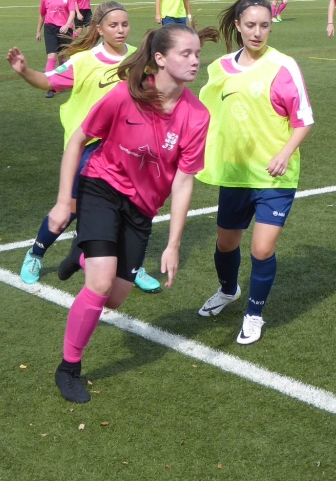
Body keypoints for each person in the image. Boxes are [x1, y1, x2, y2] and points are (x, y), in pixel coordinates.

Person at [51, 24, 215, 403]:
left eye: (197, 54)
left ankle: (82, 253)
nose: (195, 61)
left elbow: (183, 182)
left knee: (114, 299)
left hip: (142, 208)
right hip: (102, 186)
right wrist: (62, 201)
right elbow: (78, 140)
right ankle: (69, 368)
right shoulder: (125, 94)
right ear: (160, 59)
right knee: (100, 283)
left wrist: (173, 244)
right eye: (186, 54)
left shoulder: (197, 116)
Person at [6, 2, 160, 293]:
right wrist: (25, 71)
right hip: (87, 149)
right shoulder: (84, 61)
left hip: (128, 150)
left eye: (125, 24)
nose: (121, 30)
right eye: (113, 25)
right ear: (99, 29)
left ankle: (131, 266)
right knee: (72, 208)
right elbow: (47, 81)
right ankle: (36, 253)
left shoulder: (139, 59)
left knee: (131, 209)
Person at [195, 0, 313, 345]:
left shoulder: (283, 66)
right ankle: (228, 291)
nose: (257, 32)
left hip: (275, 177)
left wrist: (285, 153)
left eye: (264, 25)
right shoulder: (221, 67)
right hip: (236, 175)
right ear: (238, 26)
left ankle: (254, 314)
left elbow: (304, 120)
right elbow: (205, 112)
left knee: (261, 250)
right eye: (250, 25)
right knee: (226, 243)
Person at [36, 0, 76, 98]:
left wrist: (67, 25)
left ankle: (64, 81)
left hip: (65, 29)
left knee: (62, 58)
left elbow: (72, 12)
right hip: (50, 28)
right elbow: (42, 14)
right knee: (51, 56)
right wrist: (38, 31)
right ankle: (50, 85)